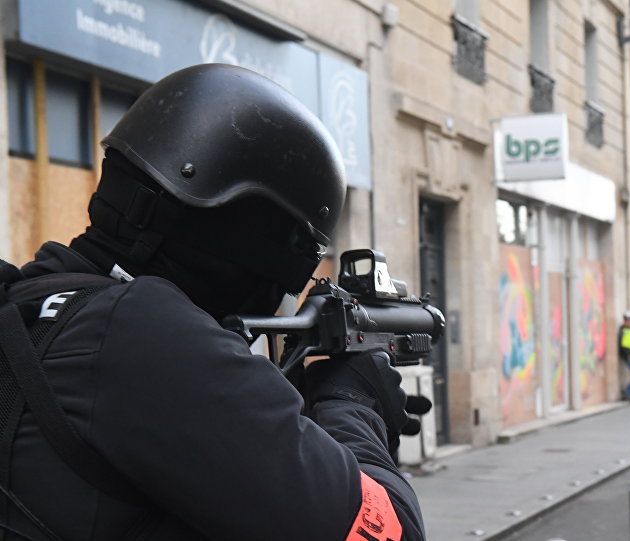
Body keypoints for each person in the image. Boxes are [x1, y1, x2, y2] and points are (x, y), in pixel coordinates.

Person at [0, 65, 423, 540]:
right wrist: (352, 402)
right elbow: (390, 533)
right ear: (266, 247)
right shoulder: (142, 335)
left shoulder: (33, 303)